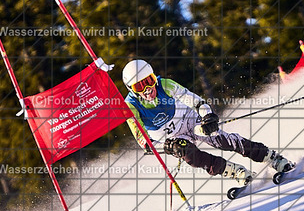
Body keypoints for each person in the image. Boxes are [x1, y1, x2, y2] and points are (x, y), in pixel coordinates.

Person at [123, 60, 294, 185]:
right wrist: (168, 146)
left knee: (220, 139)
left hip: (190, 120)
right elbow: (145, 144)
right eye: (140, 87)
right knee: (191, 157)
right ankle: (237, 172)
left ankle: (271, 157)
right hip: (173, 139)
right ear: (132, 90)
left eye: (149, 81)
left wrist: (207, 116)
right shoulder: (130, 106)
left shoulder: (165, 85)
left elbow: (195, 101)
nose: (147, 89)